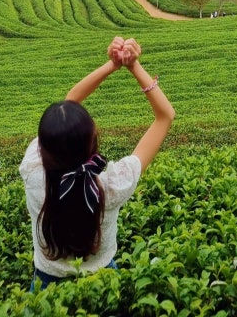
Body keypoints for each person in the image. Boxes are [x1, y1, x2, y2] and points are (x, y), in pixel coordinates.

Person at [20, 37, 175, 289]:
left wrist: (110, 65)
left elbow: (70, 101)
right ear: (92, 142)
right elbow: (165, 116)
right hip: (103, 283)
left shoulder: (32, 169)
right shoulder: (112, 185)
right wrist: (131, 66)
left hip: (46, 282)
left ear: (43, 147)